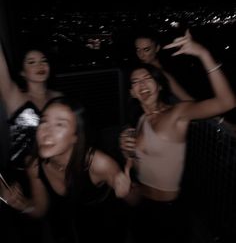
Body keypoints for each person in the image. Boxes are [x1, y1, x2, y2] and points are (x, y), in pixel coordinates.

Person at [120, 30, 236, 243]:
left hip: (169, 211)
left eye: (147, 79)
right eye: (136, 82)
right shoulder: (139, 120)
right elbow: (140, 163)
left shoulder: (176, 114)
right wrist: (126, 152)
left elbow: (226, 102)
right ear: (132, 92)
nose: (142, 85)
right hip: (141, 203)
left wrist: (202, 54)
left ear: (160, 85)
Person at [0, 96, 132, 243]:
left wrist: (127, 191)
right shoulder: (35, 165)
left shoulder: (98, 163)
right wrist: (23, 204)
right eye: (44, 121)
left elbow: (135, 201)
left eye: (59, 125)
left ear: (75, 136)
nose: (46, 132)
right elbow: (40, 209)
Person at [0, 41, 62, 243]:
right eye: (32, 62)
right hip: (23, 178)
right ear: (22, 71)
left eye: (43, 61)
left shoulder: (60, 98)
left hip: (57, 173)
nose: (40, 65)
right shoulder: (15, 97)